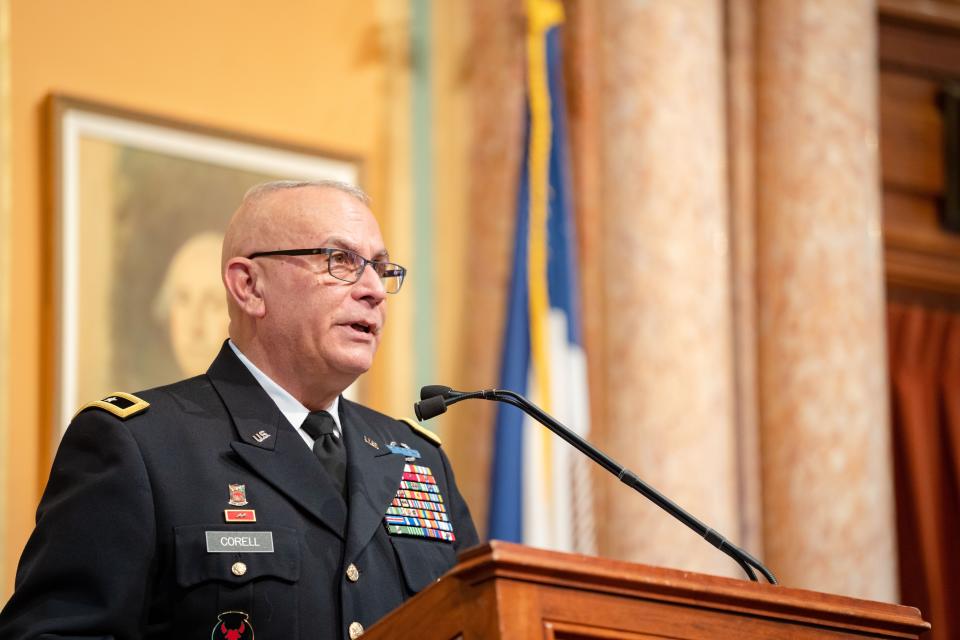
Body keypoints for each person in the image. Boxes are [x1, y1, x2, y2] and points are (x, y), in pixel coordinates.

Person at [0, 180, 479, 639]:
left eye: (381, 267)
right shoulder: (139, 446)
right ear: (248, 286)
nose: (373, 288)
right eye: (340, 261)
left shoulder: (417, 458)